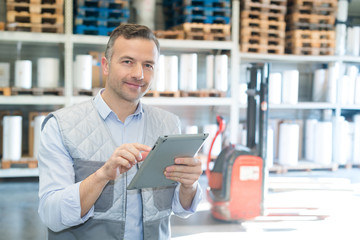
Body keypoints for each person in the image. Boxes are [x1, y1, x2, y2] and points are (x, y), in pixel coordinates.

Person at [38, 23, 203, 240]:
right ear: (105, 65)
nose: (139, 74)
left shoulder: (168, 124)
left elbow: (179, 208)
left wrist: (189, 185)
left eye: (148, 65)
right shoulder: (61, 126)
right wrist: (102, 176)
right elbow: (52, 215)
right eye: (128, 62)